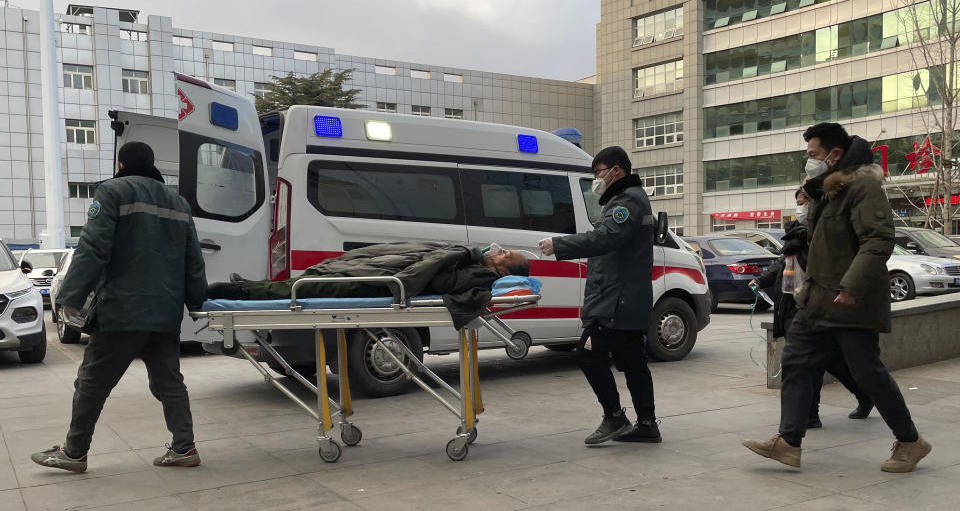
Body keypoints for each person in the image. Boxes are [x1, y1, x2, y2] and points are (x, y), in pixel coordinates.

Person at [743, 123, 931, 473]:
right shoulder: (828, 192)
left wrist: (851, 285)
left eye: (813, 154)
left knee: (868, 373)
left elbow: (878, 240)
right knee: (796, 360)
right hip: (817, 301)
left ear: (835, 154)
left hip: (850, 302)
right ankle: (789, 442)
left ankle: (910, 441)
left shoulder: (863, 187)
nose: (808, 161)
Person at [32, 142, 207, 474]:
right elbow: (193, 260)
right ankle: (184, 447)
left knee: (92, 381)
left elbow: (93, 248)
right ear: (152, 163)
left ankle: (74, 451)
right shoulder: (179, 203)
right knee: (169, 382)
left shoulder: (113, 192)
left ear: (121, 163)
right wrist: (197, 302)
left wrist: (69, 295)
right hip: (165, 313)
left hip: (123, 310)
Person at [538, 146, 659, 445]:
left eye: (598, 172)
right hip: (622, 296)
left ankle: (615, 416)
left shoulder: (627, 201)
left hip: (617, 299)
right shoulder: (624, 199)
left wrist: (560, 245)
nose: (597, 179)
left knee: (588, 354)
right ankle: (646, 423)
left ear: (616, 170)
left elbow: (607, 237)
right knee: (632, 361)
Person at [751, 188, 872, 430]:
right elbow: (782, 262)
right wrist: (763, 280)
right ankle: (862, 397)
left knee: (814, 362)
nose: (800, 207)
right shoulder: (794, 237)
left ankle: (810, 415)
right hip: (791, 304)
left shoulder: (819, 234)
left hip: (814, 305)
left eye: (803, 202)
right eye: (797, 202)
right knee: (826, 361)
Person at [208, 242, 530, 329]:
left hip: (379, 287)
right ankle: (249, 286)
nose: (499, 251)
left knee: (307, 287)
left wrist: (457, 255)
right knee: (310, 280)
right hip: (382, 276)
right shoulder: (476, 265)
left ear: (505, 269)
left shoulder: (479, 275)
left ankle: (233, 292)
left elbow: (442, 280)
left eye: (506, 254)